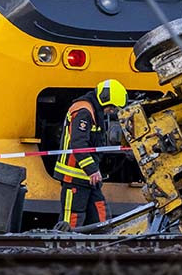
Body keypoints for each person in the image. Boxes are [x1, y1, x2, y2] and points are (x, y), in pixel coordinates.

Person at [53, 79, 127, 228]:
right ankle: (66, 249)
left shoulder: (94, 110)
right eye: (111, 107)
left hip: (88, 178)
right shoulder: (83, 111)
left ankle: (102, 247)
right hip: (73, 176)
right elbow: (78, 144)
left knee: (101, 217)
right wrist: (92, 170)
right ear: (104, 99)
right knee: (70, 221)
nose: (112, 111)